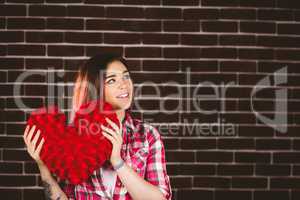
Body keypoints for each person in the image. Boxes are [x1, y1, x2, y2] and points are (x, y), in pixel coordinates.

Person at [23, 54, 172, 200]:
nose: (124, 85)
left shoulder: (147, 135)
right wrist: (43, 167)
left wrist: (117, 160)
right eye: (112, 80)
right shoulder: (72, 136)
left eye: (126, 76)